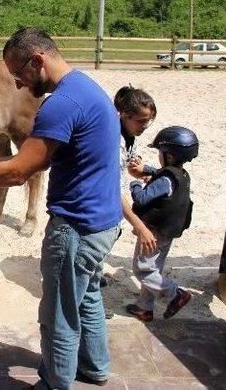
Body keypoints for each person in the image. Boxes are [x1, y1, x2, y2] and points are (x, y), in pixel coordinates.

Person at [0, 28, 122, 389]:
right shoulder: (84, 88)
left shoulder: (60, 104)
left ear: (38, 60)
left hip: (76, 226)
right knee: (86, 298)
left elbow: (20, 171)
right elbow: (40, 158)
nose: (18, 84)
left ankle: (55, 383)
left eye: (18, 73)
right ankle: (95, 367)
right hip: (104, 221)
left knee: (58, 314)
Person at [125, 126, 197, 322]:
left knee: (142, 269)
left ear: (170, 156)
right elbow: (158, 172)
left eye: (160, 152)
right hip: (169, 231)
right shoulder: (181, 174)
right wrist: (145, 170)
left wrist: (135, 183)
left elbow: (141, 199)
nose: (159, 156)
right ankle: (144, 308)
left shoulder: (164, 180)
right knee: (153, 268)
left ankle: (175, 295)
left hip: (154, 232)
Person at [100, 86, 158, 316]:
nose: (145, 127)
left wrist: (138, 168)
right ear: (124, 114)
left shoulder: (128, 133)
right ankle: (91, 306)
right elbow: (113, 190)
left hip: (115, 203)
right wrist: (139, 225)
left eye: (148, 122)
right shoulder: (112, 138)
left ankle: (94, 279)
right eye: (141, 121)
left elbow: (129, 160)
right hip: (107, 203)